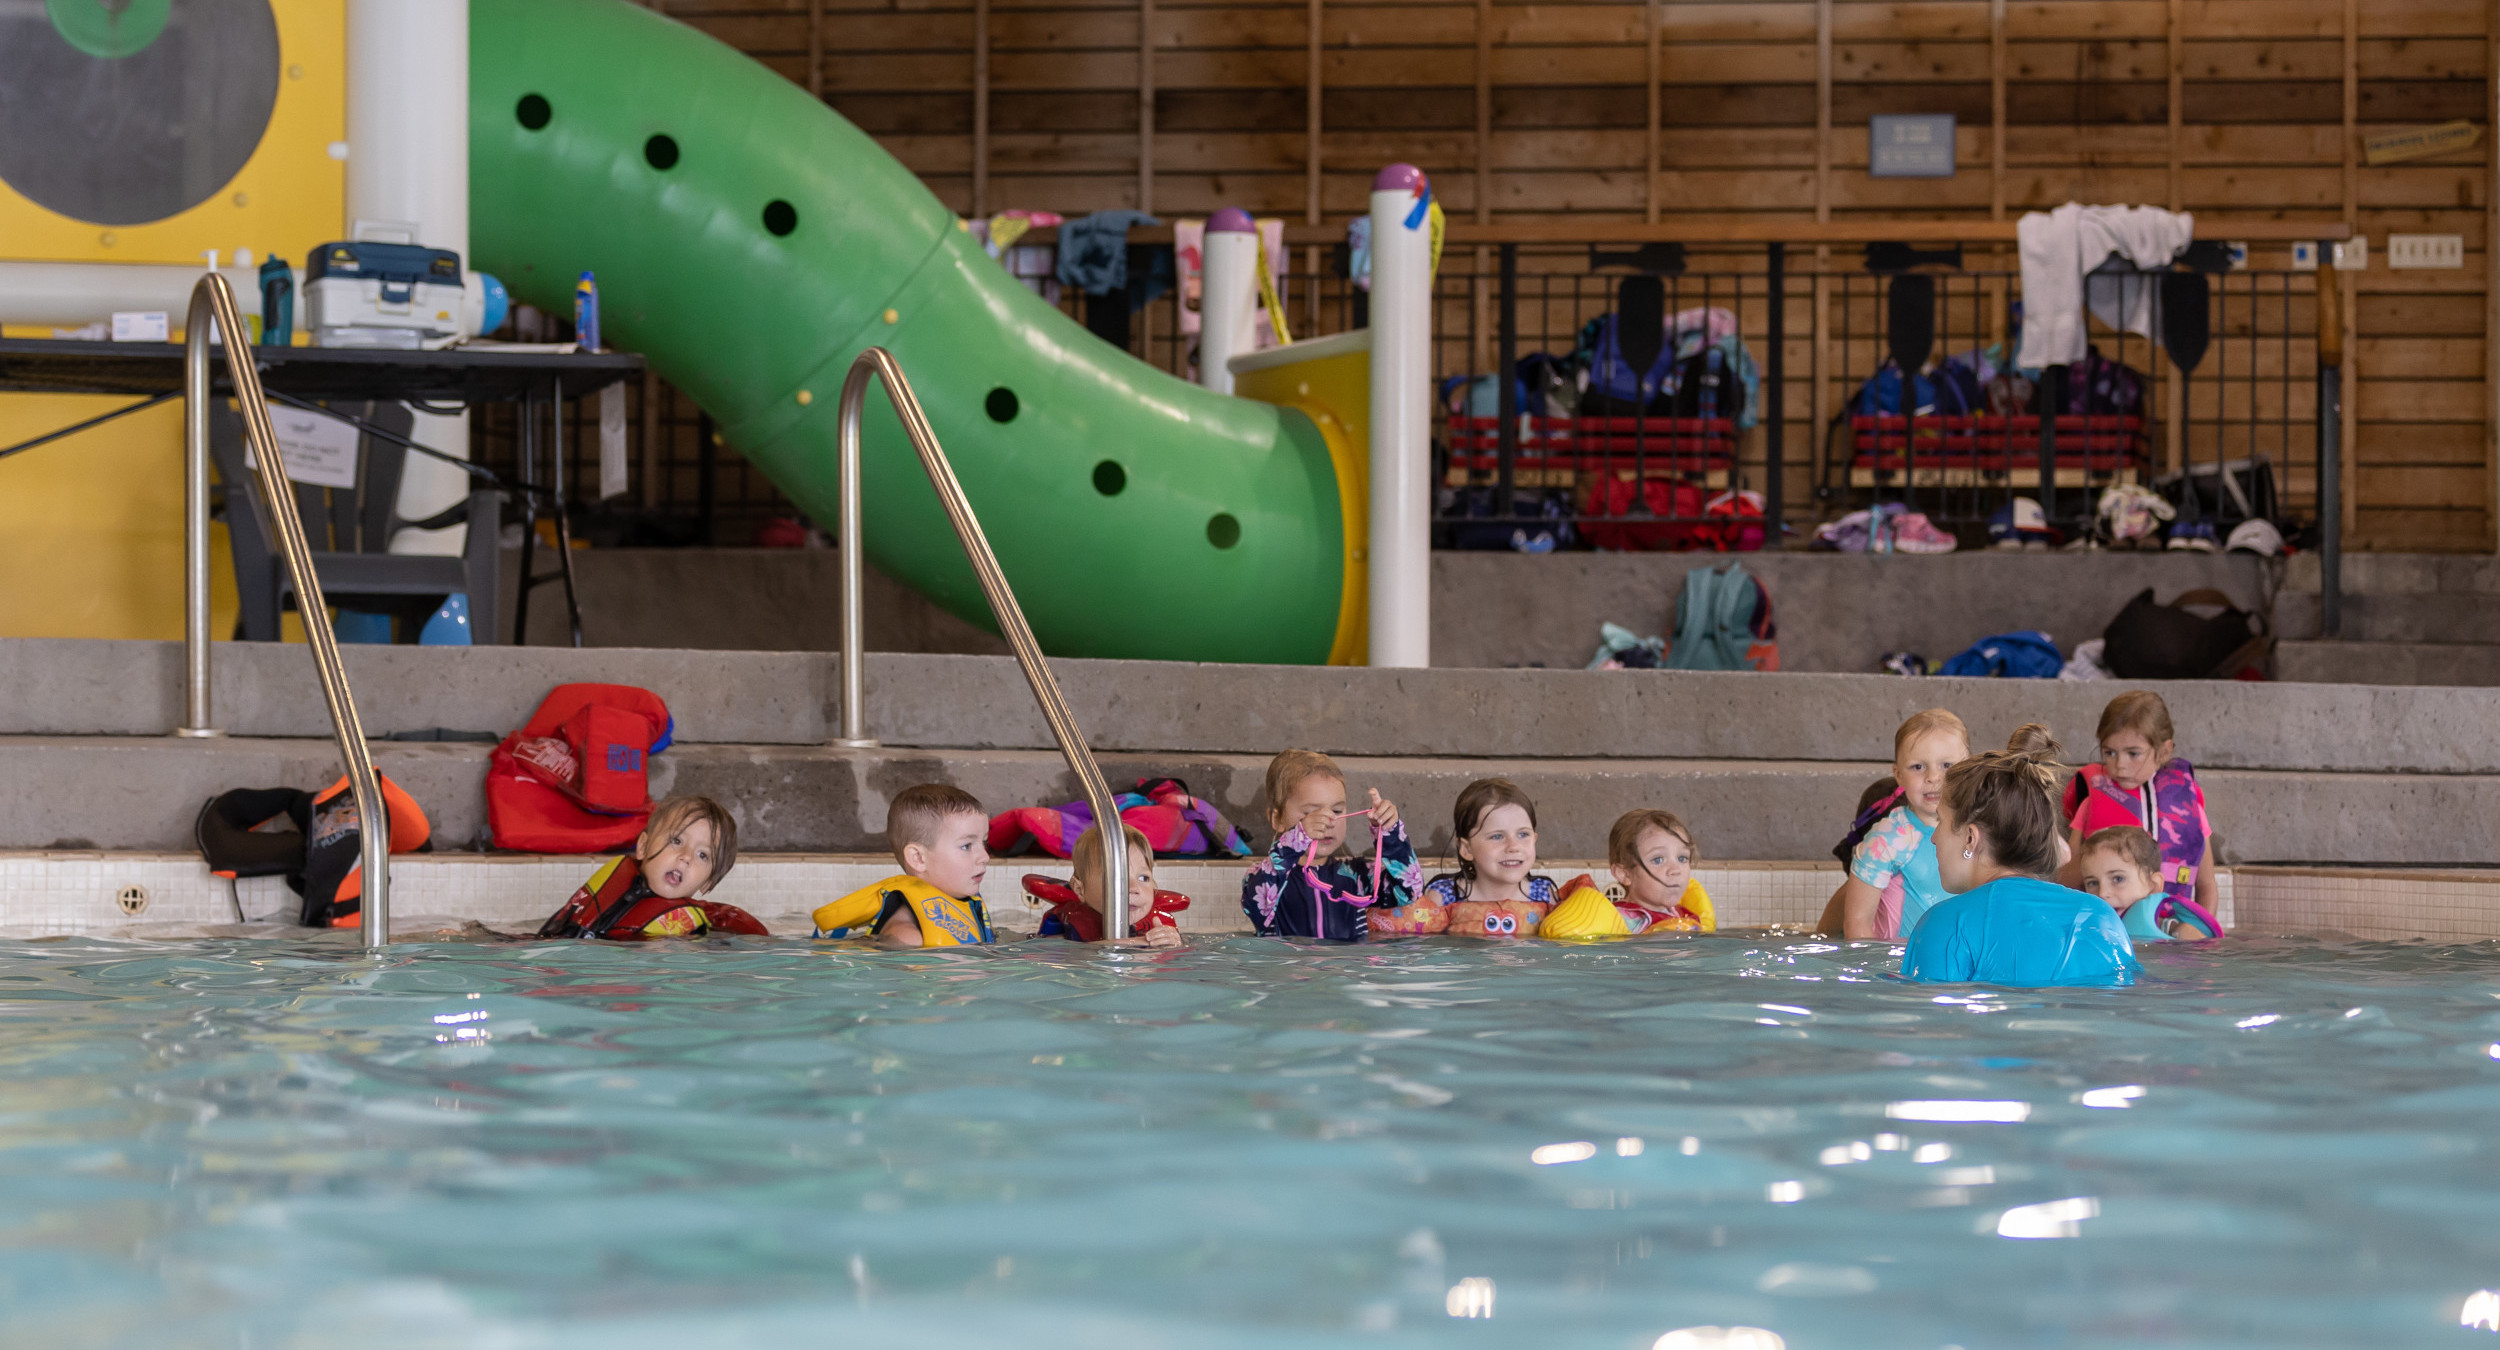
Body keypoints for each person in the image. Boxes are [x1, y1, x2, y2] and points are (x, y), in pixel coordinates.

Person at [1902, 738, 2140, 987]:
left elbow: (1927, 1018)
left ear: (1971, 838)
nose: (1934, 837)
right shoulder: (2100, 917)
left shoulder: (1945, 924)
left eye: (1940, 821)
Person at [2059, 690, 2220, 923]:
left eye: (2133, 753)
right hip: (2107, 930)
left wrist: (2205, 936)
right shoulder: (2090, 805)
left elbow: (2207, 885)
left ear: (2164, 751)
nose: (2120, 765)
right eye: (2110, 752)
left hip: (2168, 932)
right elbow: (2067, 881)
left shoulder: (2188, 807)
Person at [1241, 748, 1420, 941]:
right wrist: (1297, 838)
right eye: (1312, 813)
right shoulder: (1263, 876)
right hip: (1290, 969)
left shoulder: (1357, 874)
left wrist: (1390, 833)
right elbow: (1255, 904)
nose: (1328, 821)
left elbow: (1410, 892)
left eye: (1336, 810)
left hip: (1347, 969)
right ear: (1277, 818)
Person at [1821, 709, 1969, 939]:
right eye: (1918, 767)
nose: (1933, 777)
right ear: (1898, 775)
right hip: (1900, 969)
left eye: (1946, 765)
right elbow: (1857, 924)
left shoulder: (1978, 830)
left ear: (1968, 768)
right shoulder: (1887, 839)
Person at [536, 795, 767, 939]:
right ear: (643, 847)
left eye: (702, 855)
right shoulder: (617, 879)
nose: (686, 857)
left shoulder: (691, 934)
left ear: (708, 882)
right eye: (676, 841)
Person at [812, 783, 997, 946]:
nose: (984, 856)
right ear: (918, 858)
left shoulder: (964, 907)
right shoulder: (907, 937)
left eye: (984, 843)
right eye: (966, 846)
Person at [1402, 778, 1557, 938]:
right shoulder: (1445, 897)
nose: (1513, 847)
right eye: (1497, 836)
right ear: (1467, 849)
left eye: (1523, 834)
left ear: (1534, 839)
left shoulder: (1544, 895)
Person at [1026, 822, 1187, 946]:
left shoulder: (1158, 925)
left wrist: (1172, 942)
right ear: (1080, 890)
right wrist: (1136, 944)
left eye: (1143, 878)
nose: (1133, 888)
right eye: (1116, 877)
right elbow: (1069, 956)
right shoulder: (1067, 926)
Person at [2076, 825, 2220, 942]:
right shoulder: (2087, 932)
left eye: (2118, 879)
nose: (2102, 893)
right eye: (2093, 882)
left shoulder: (2179, 932)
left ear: (2154, 885)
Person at [1606, 808, 1715, 933]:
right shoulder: (1618, 922)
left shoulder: (1682, 916)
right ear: (1624, 874)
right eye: (1658, 860)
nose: (1675, 870)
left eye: (1682, 858)